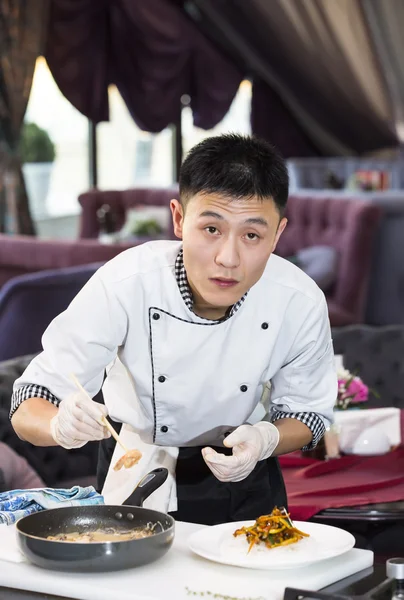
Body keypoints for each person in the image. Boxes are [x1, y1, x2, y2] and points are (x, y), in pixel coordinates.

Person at [10, 134, 337, 525]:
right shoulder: (127, 282)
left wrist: (266, 439)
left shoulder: (298, 299)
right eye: (211, 229)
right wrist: (58, 425)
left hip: (247, 476)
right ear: (179, 219)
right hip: (137, 470)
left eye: (252, 235)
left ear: (278, 234)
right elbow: (28, 400)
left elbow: (309, 414)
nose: (228, 258)